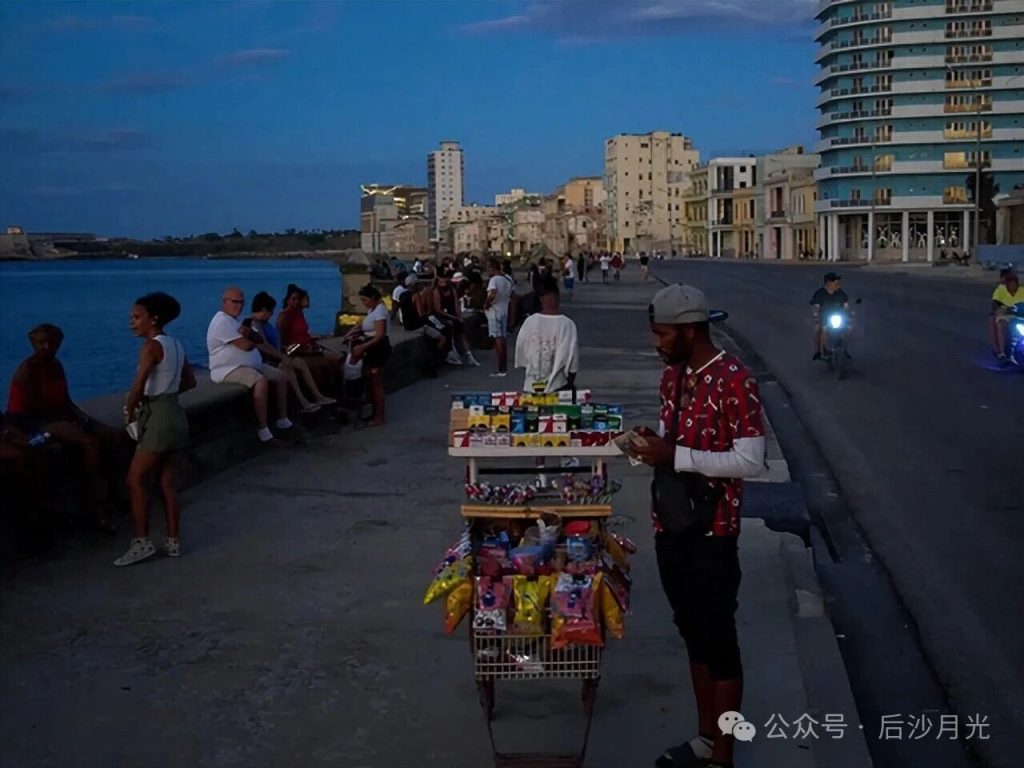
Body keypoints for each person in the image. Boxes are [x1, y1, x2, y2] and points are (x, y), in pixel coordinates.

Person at [623, 284, 765, 768]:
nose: (656, 343)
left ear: (688, 330)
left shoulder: (734, 379)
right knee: (694, 635)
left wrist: (675, 455)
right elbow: (676, 442)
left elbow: (751, 459)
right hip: (672, 526)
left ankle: (722, 756)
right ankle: (705, 737)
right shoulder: (673, 379)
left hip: (713, 534)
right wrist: (652, 445)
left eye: (662, 334)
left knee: (719, 643)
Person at [6, 323, 120, 533]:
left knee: (111, 434)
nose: (47, 347)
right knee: (89, 442)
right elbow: (31, 409)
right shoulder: (29, 369)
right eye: (42, 343)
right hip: (30, 422)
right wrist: (65, 423)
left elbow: (65, 401)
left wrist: (84, 419)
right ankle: (93, 496)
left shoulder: (55, 366)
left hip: (55, 416)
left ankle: (112, 487)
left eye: (51, 343)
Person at [115, 292, 196, 566]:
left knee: (135, 480)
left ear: (154, 319)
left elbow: (137, 386)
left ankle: (142, 542)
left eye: (137, 317)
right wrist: (167, 392)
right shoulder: (176, 344)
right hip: (176, 415)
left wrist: (130, 413)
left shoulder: (150, 347)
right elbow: (191, 382)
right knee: (168, 482)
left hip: (158, 418)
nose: (132, 323)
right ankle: (173, 541)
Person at [207, 287, 291, 443]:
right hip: (227, 369)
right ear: (224, 302)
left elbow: (258, 339)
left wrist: (252, 335)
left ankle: (283, 420)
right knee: (260, 381)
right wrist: (252, 337)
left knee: (280, 377)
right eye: (235, 302)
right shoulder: (221, 322)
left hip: (250, 364)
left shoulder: (237, 321)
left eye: (241, 302)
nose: (238, 306)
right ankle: (264, 429)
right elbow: (246, 346)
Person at [246, 292, 335, 410]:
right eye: (270, 311)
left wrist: (284, 349)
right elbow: (263, 345)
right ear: (263, 309)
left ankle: (317, 396)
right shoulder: (254, 324)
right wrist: (281, 356)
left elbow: (274, 342)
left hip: (277, 355)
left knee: (300, 363)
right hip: (267, 360)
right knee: (288, 369)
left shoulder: (264, 323)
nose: (272, 314)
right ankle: (303, 402)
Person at [514, 276, 578, 393]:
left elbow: (521, 352)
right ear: (558, 298)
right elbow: (572, 358)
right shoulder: (567, 324)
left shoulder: (530, 322)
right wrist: (570, 382)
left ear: (540, 299)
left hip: (532, 384)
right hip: (558, 384)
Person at [347, 285, 391, 426]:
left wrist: (362, 347)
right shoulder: (373, 310)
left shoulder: (379, 311)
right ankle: (373, 413)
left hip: (377, 349)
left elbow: (379, 335)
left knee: (376, 382)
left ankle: (379, 416)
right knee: (370, 383)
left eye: (365, 300)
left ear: (372, 298)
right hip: (371, 346)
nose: (364, 303)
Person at [432, 270, 479, 366]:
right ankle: (451, 354)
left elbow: (456, 305)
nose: (444, 282)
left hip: (452, 314)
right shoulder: (436, 291)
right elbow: (438, 309)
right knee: (449, 329)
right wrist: (451, 317)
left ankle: (469, 355)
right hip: (442, 315)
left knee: (462, 334)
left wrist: (459, 317)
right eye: (441, 281)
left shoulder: (452, 290)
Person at [484, 257, 515, 377]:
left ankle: (501, 368)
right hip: (504, 310)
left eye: (488, 268)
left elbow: (492, 293)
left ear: (492, 268)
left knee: (497, 339)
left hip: (494, 311)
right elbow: (513, 296)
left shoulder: (494, 280)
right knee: (503, 338)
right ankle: (504, 367)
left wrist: (486, 303)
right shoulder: (508, 279)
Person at [809, 272, 850, 360]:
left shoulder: (841, 293)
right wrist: (816, 316)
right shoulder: (820, 293)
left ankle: (845, 349)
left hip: (839, 317)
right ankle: (820, 351)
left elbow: (846, 305)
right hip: (824, 317)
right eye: (836, 283)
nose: (838, 285)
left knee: (849, 328)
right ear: (829, 283)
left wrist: (849, 314)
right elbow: (816, 306)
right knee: (819, 329)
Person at [990, 268, 1024, 362]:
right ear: (1007, 284)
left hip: (1021, 316)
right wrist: (1001, 309)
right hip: (1007, 316)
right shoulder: (1000, 291)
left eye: (1015, 283)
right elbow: (995, 305)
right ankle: (1002, 353)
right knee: (1001, 326)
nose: (1013, 285)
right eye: (1010, 283)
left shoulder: (1022, 291)